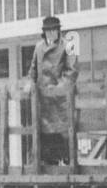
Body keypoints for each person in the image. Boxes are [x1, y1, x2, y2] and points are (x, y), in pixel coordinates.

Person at [27, 16, 76, 166]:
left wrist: (58, 89)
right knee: (44, 133)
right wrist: (30, 83)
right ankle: (49, 161)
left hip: (60, 99)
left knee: (63, 131)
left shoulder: (68, 45)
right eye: (48, 30)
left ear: (58, 30)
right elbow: (33, 70)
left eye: (54, 30)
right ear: (44, 32)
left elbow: (71, 71)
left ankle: (68, 160)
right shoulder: (38, 47)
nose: (51, 33)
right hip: (43, 100)